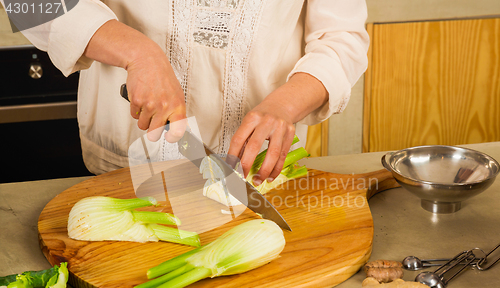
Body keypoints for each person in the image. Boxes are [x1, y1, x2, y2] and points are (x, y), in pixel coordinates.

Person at [15, 0, 369, 185]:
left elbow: (343, 37)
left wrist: (286, 103)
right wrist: (137, 52)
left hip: (258, 176)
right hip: (125, 169)